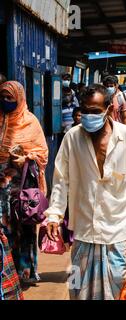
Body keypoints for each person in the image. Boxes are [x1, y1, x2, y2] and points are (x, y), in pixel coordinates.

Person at [45, 84, 126, 300]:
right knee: (77, 287)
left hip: (117, 228)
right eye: (85, 110)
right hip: (83, 229)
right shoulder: (72, 137)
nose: (88, 116)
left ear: (108, 110)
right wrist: (54, 215)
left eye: (95, 111)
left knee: (117, 284)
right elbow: (60, 179)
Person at [0, 81, 48, 285]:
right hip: (2, 187)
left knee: (25, 227)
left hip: (24, 186)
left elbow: (42, 153)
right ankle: (6, 272)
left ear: (19, 98)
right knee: (4, 228)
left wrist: (27, 157)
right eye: (2, 97)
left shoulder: (30, 121)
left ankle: (25, 271)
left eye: (10, 98)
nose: (6, 101)